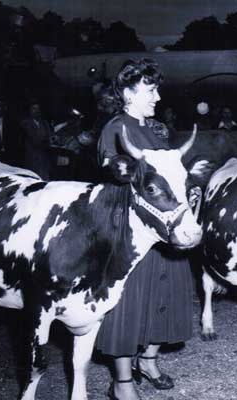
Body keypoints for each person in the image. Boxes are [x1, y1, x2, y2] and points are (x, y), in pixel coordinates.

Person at [96, 58, 195, 400]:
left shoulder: (158, 130)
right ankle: (122, 381)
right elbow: (114, 173)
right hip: (131, 230)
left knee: (167, 292)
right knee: (130, 302)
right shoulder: (115, 129)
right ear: (127, 92)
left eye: (156, 89)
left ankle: (149, 360)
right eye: (150, 90)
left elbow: (170, 174)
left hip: (165, 225)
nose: (157, 97)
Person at [19, 99, 53, 179]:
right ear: (30, 110)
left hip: (44, 159)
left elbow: (50, 137)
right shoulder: (25, 123)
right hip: (31, 159)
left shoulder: (44, 122)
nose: (36, 111)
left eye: (38, 109)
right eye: (34, 108)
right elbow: (35, 140)